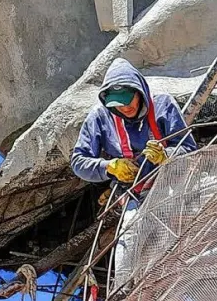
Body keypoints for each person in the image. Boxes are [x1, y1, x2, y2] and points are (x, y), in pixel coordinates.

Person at [71, 57, 197, 279]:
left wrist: (166, 156)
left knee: (183, 241)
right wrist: (109, 166)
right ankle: (124, 290)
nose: (125, 107)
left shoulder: (163, 105)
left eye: (129, 100)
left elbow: (189, 150)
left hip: (172, 187)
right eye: (117, 104)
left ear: (140, 91)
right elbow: (78, 162)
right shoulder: (100, 117)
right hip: (134, 195)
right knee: (128, 246)